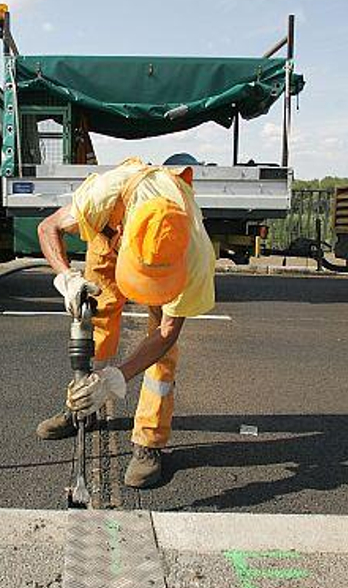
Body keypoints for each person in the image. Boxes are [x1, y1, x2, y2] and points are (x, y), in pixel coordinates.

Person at [36, 157, 216, 488]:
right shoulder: (106, 194)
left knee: (162, 359)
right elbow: (48, 228)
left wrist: (115, 378)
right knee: (97, 316)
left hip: (157, 253)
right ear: (125, 231)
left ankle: (149, 442)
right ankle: (83, 407)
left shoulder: (195, 258)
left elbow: (166, 333)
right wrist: (67, 277)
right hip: (106, 241)